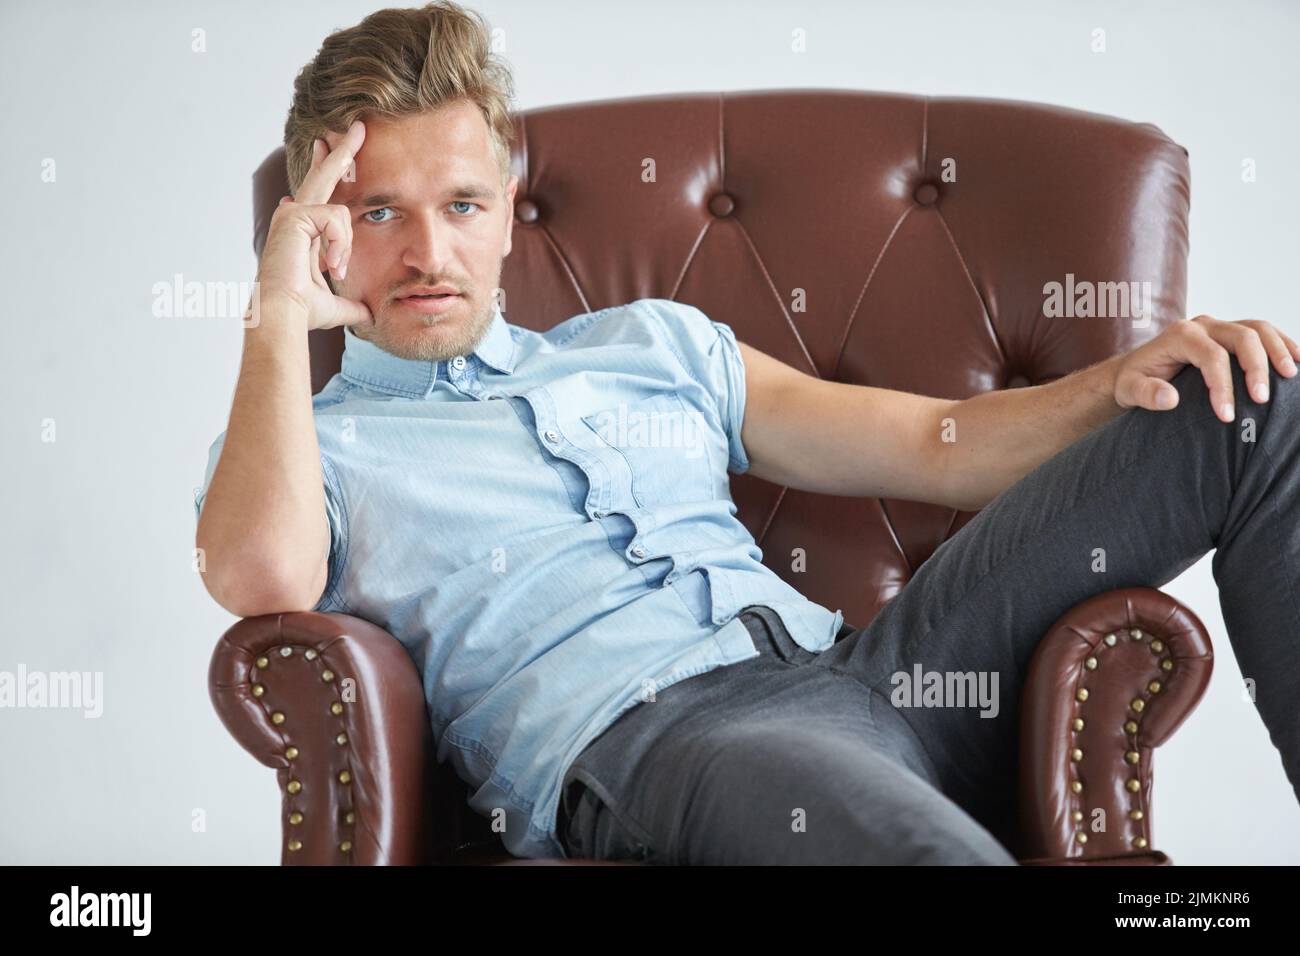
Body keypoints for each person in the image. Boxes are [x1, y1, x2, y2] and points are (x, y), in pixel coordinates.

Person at [195, 1, 1300, 864]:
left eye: (462, 204)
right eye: (380, 212)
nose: (429, 252)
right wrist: (274, 317)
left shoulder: (648, 344)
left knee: (1251, 400)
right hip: (677, 740)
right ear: (323, 234)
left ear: (508, 205)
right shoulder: (320, 444)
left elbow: (938, 443)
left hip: (882, 666)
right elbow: (259, 571)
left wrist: (1119, 382)